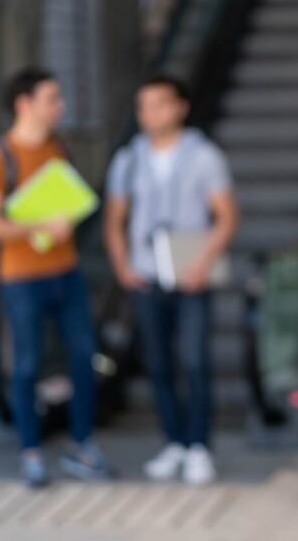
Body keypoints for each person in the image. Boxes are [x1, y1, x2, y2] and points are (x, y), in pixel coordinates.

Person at [0, 67, 111, 487]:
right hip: (20, 277)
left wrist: (63, 222)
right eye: (52, 98)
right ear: (24, 104)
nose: (61, 106)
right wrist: (38, 228)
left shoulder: (58, 148)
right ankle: (30, 453)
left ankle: (81, 445)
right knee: (27, 364)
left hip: (65, 271)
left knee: (84, 355)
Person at [103, 75, 238, 485]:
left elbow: (226, 216)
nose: (150, 114)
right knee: (158, 363)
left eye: (159, 104)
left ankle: (198, 446)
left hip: (190, 276)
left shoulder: (204, 155)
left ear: (180, 107)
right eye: (143, 106)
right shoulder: (128, 158)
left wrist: (202, 262)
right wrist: (123, 266)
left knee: (195, 361)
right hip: (145, 275)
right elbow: (114, 219)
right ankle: (174, 442)